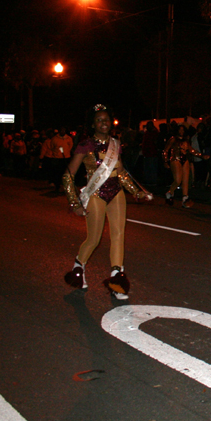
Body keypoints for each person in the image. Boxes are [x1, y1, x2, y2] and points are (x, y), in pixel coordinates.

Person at [61, 104, 153, 299]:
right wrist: (74, 203)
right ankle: (78, 269)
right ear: (92, 124)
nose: (104, 123)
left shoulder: (116, 144)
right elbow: (68, 175)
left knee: (118, 236)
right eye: (99, 120)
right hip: (96, 194)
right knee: (94, 239)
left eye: (106, 119)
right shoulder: (85, 145)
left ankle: (116, 281)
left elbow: (121, 174)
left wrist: (137, 192)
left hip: (116, 193)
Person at [164, 124, 209, 208]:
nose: (181, 131)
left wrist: (201, 155)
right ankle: (170, 192)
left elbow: (192, 150)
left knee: (186, 180)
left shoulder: (186, 141)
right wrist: (165, 161)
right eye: (180, 130)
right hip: (175, 159)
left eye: (183, 130)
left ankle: (185, 198)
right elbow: (165, 150)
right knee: (178, 180)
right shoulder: (173, 139)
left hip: (185, 160)